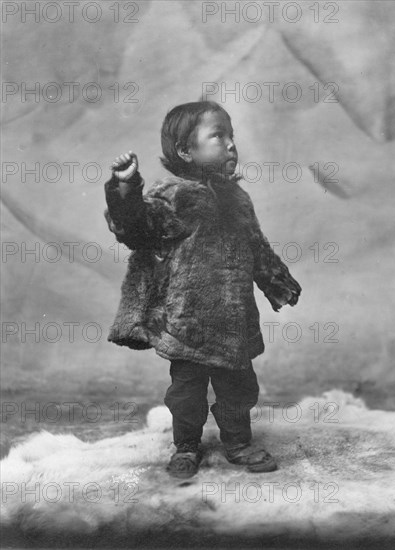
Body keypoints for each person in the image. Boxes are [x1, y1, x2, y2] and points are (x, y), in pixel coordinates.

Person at [104, 101, 301, 478]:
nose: (230, 145)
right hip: (188, 318)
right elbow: (137, 228)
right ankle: (186, 445)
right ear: (185, 151)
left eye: (232, 136)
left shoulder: (239, 201)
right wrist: (126, 187)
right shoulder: (174, 195)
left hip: (234, 319)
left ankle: (238, 442)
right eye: (218, 136)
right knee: (186, 390)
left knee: (238, 388)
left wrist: (278, 282)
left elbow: (256, 246)